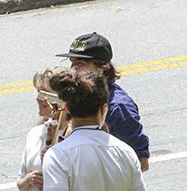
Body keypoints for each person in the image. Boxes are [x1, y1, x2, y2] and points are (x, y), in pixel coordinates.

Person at [57, 32, 150, 171]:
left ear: (102, 66)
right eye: (72, 62)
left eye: (80, 63)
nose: (73, 69)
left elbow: (140, 163)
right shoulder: (78, 98)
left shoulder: (119, 107)